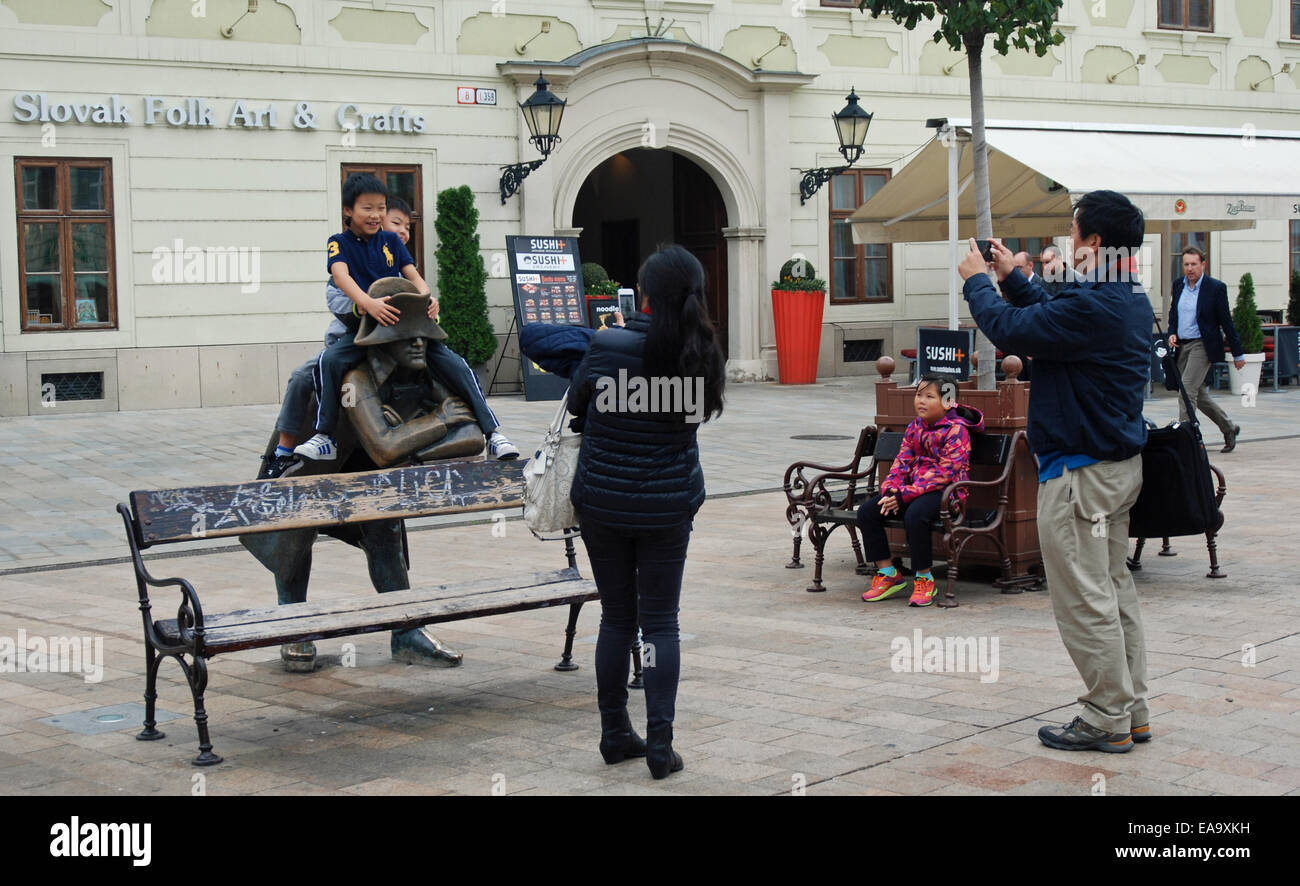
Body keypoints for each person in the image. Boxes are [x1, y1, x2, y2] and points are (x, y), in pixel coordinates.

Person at [958, 190, 1152, 754]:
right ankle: (1130, 710)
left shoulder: (1095, 305)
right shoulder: (1123, 296)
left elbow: (1015, 331)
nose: (1068, 241)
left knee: (1085, 599)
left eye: (1073, 231)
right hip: (1114, 470)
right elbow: (1050, 319)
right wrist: (1011, 276)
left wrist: (977, 281)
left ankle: (1105, 718)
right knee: (1113, 593)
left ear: (1092, 241)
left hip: (1080, 477)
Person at [244, 289, 481, 672]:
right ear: (385, 338)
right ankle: (294, 623)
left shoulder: (427, 372)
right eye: (408, 334)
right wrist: (438, 422)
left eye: (424, 333)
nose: (420, 341)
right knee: (294, 537)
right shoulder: (354, 375)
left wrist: (413, 449)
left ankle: (405, 629)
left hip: (365, 464)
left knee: (384, 533)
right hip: (316, 457)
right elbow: (386, 446)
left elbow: (472, 437)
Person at [566, 244, 725, 780]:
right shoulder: (701, 352)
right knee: (661, 625)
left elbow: (575, 409)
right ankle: (661, 744)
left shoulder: (606, 344)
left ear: (645, 294)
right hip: (666, 506)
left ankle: (615, 733)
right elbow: (695, 417)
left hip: (603, 505)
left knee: (616, 618)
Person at [260, 190, 516, 479]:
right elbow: (342, 290)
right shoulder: (341, 250)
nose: (378, 217)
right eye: (373, 210)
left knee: (456, 364)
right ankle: (298, 446)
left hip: (395, 337)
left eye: (382, 210)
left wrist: (427, 300)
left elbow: (416, 280)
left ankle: (494, 432)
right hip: (362, 336)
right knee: (314, 370)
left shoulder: (392, 248)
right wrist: (367, 305)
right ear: (349, 211)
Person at [858, 375, 984, 607]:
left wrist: (903, 495)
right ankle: (888, 574)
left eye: (929, 396)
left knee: (915, 514)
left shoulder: (957, 431)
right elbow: (901, 462)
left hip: (947, 494)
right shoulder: (915, 427)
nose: (921, 401)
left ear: (948, 402)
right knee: (868, 511)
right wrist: (891, 491)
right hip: (912, 490)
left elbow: (944, 474)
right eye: (919, 395)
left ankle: (924, 578)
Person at [1167, 246, 1244, 453]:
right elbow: (1174, 313)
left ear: (1203, 264)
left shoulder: (1215, 288)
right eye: (1186, 264)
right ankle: (1229, 428)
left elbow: (1226, 321)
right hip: (1182, 345)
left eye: (1194, 264)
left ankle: (1187, 440)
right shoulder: (1178, 285)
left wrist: (1237, 353)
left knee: (1186, 390)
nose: (1190, 268)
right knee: (1198, 395)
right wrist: (1172, 332)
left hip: (1203, 344)